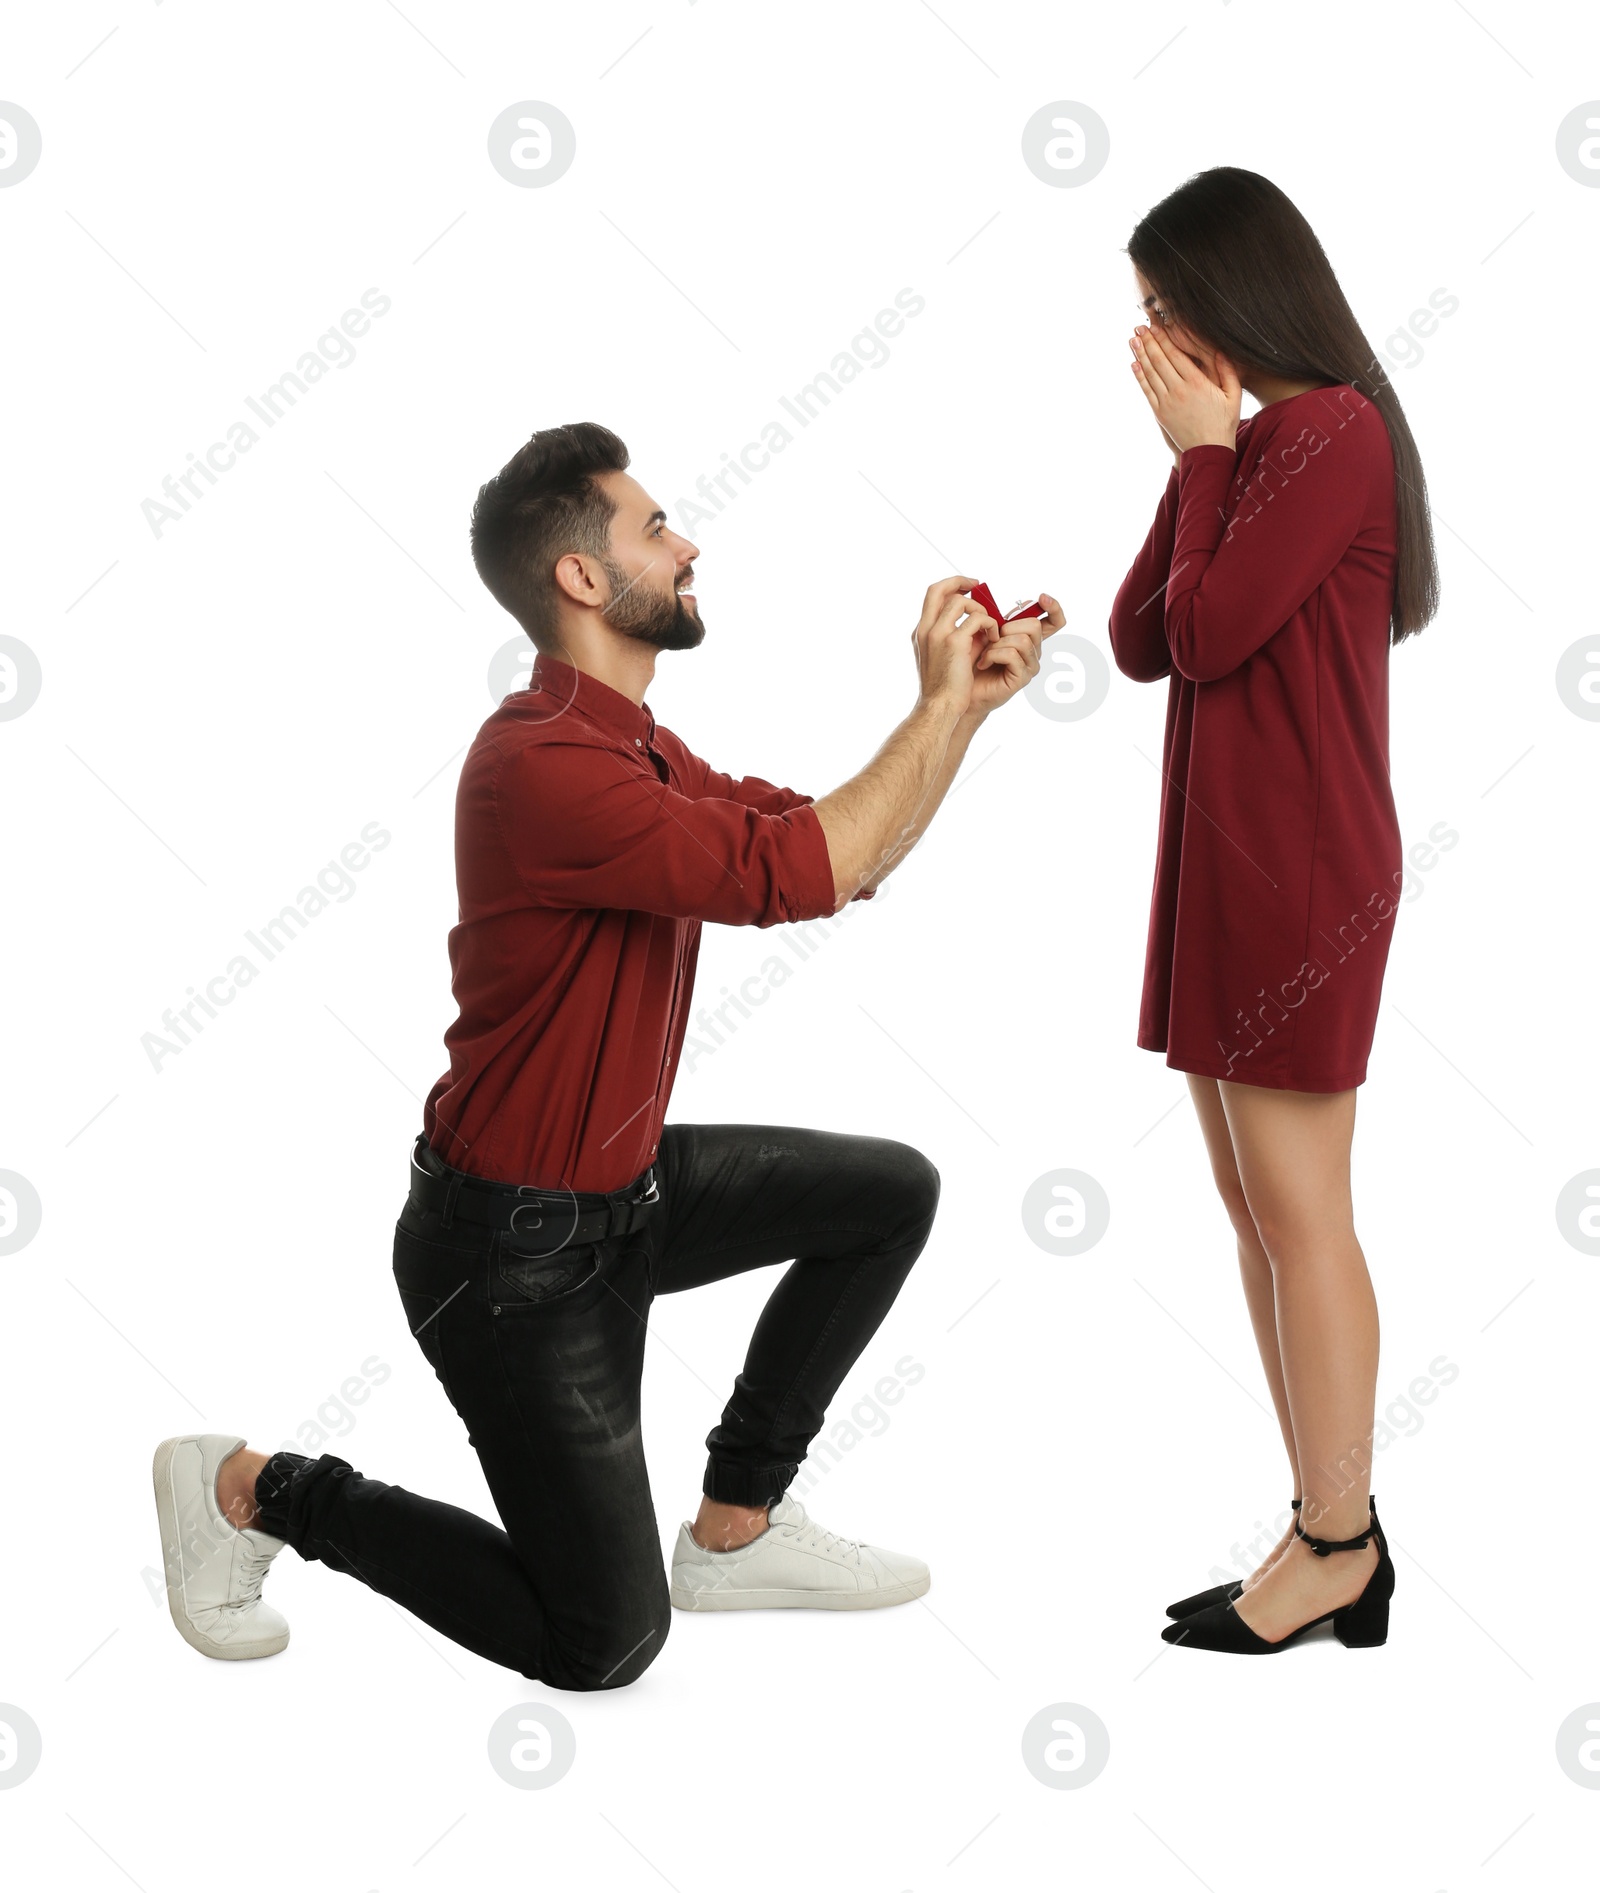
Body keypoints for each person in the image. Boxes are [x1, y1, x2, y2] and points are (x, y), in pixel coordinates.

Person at [152, 421, 1060, 1689]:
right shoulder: (540, 765)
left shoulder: (638, 748)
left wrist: (959, 713)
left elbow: (839, 854)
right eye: (654, 527)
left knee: (887, 1194)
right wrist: (931, 703)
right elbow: (813, 869)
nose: (687, 544)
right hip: (511, 1262)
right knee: (605, 1643)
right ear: (581, 579)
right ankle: (256, 1489)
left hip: (622, 1200)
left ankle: (736, 1527)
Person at [1108, 168, 1439, 1654]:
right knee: (1255, 1210)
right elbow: (1138, 639)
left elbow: (1210, 628)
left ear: (1238, 294)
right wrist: (1196, 457)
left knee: (1305, 1216)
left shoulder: (1335, 434)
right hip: (1227, 868)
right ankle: (1316, 1512)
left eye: (1169, 307)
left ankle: (1341, 1544)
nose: (1154, 336)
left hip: (1298, 873)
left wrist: (1205, 460)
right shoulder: (1260, 440)